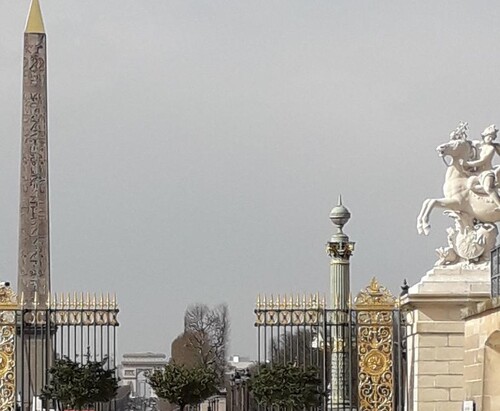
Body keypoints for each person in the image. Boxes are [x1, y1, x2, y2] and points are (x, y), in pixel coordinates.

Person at [462, 124, 500, 209]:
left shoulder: (491, 148)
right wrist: (462, 137)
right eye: (489, 136)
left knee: (488, 188)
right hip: (477, 174)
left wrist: (467, 164)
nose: (490, 139)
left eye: (492, 137)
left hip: (487, 172)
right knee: (470, 185)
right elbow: (468, 145)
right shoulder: (478, 145)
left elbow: (482, 161)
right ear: (484, 135)